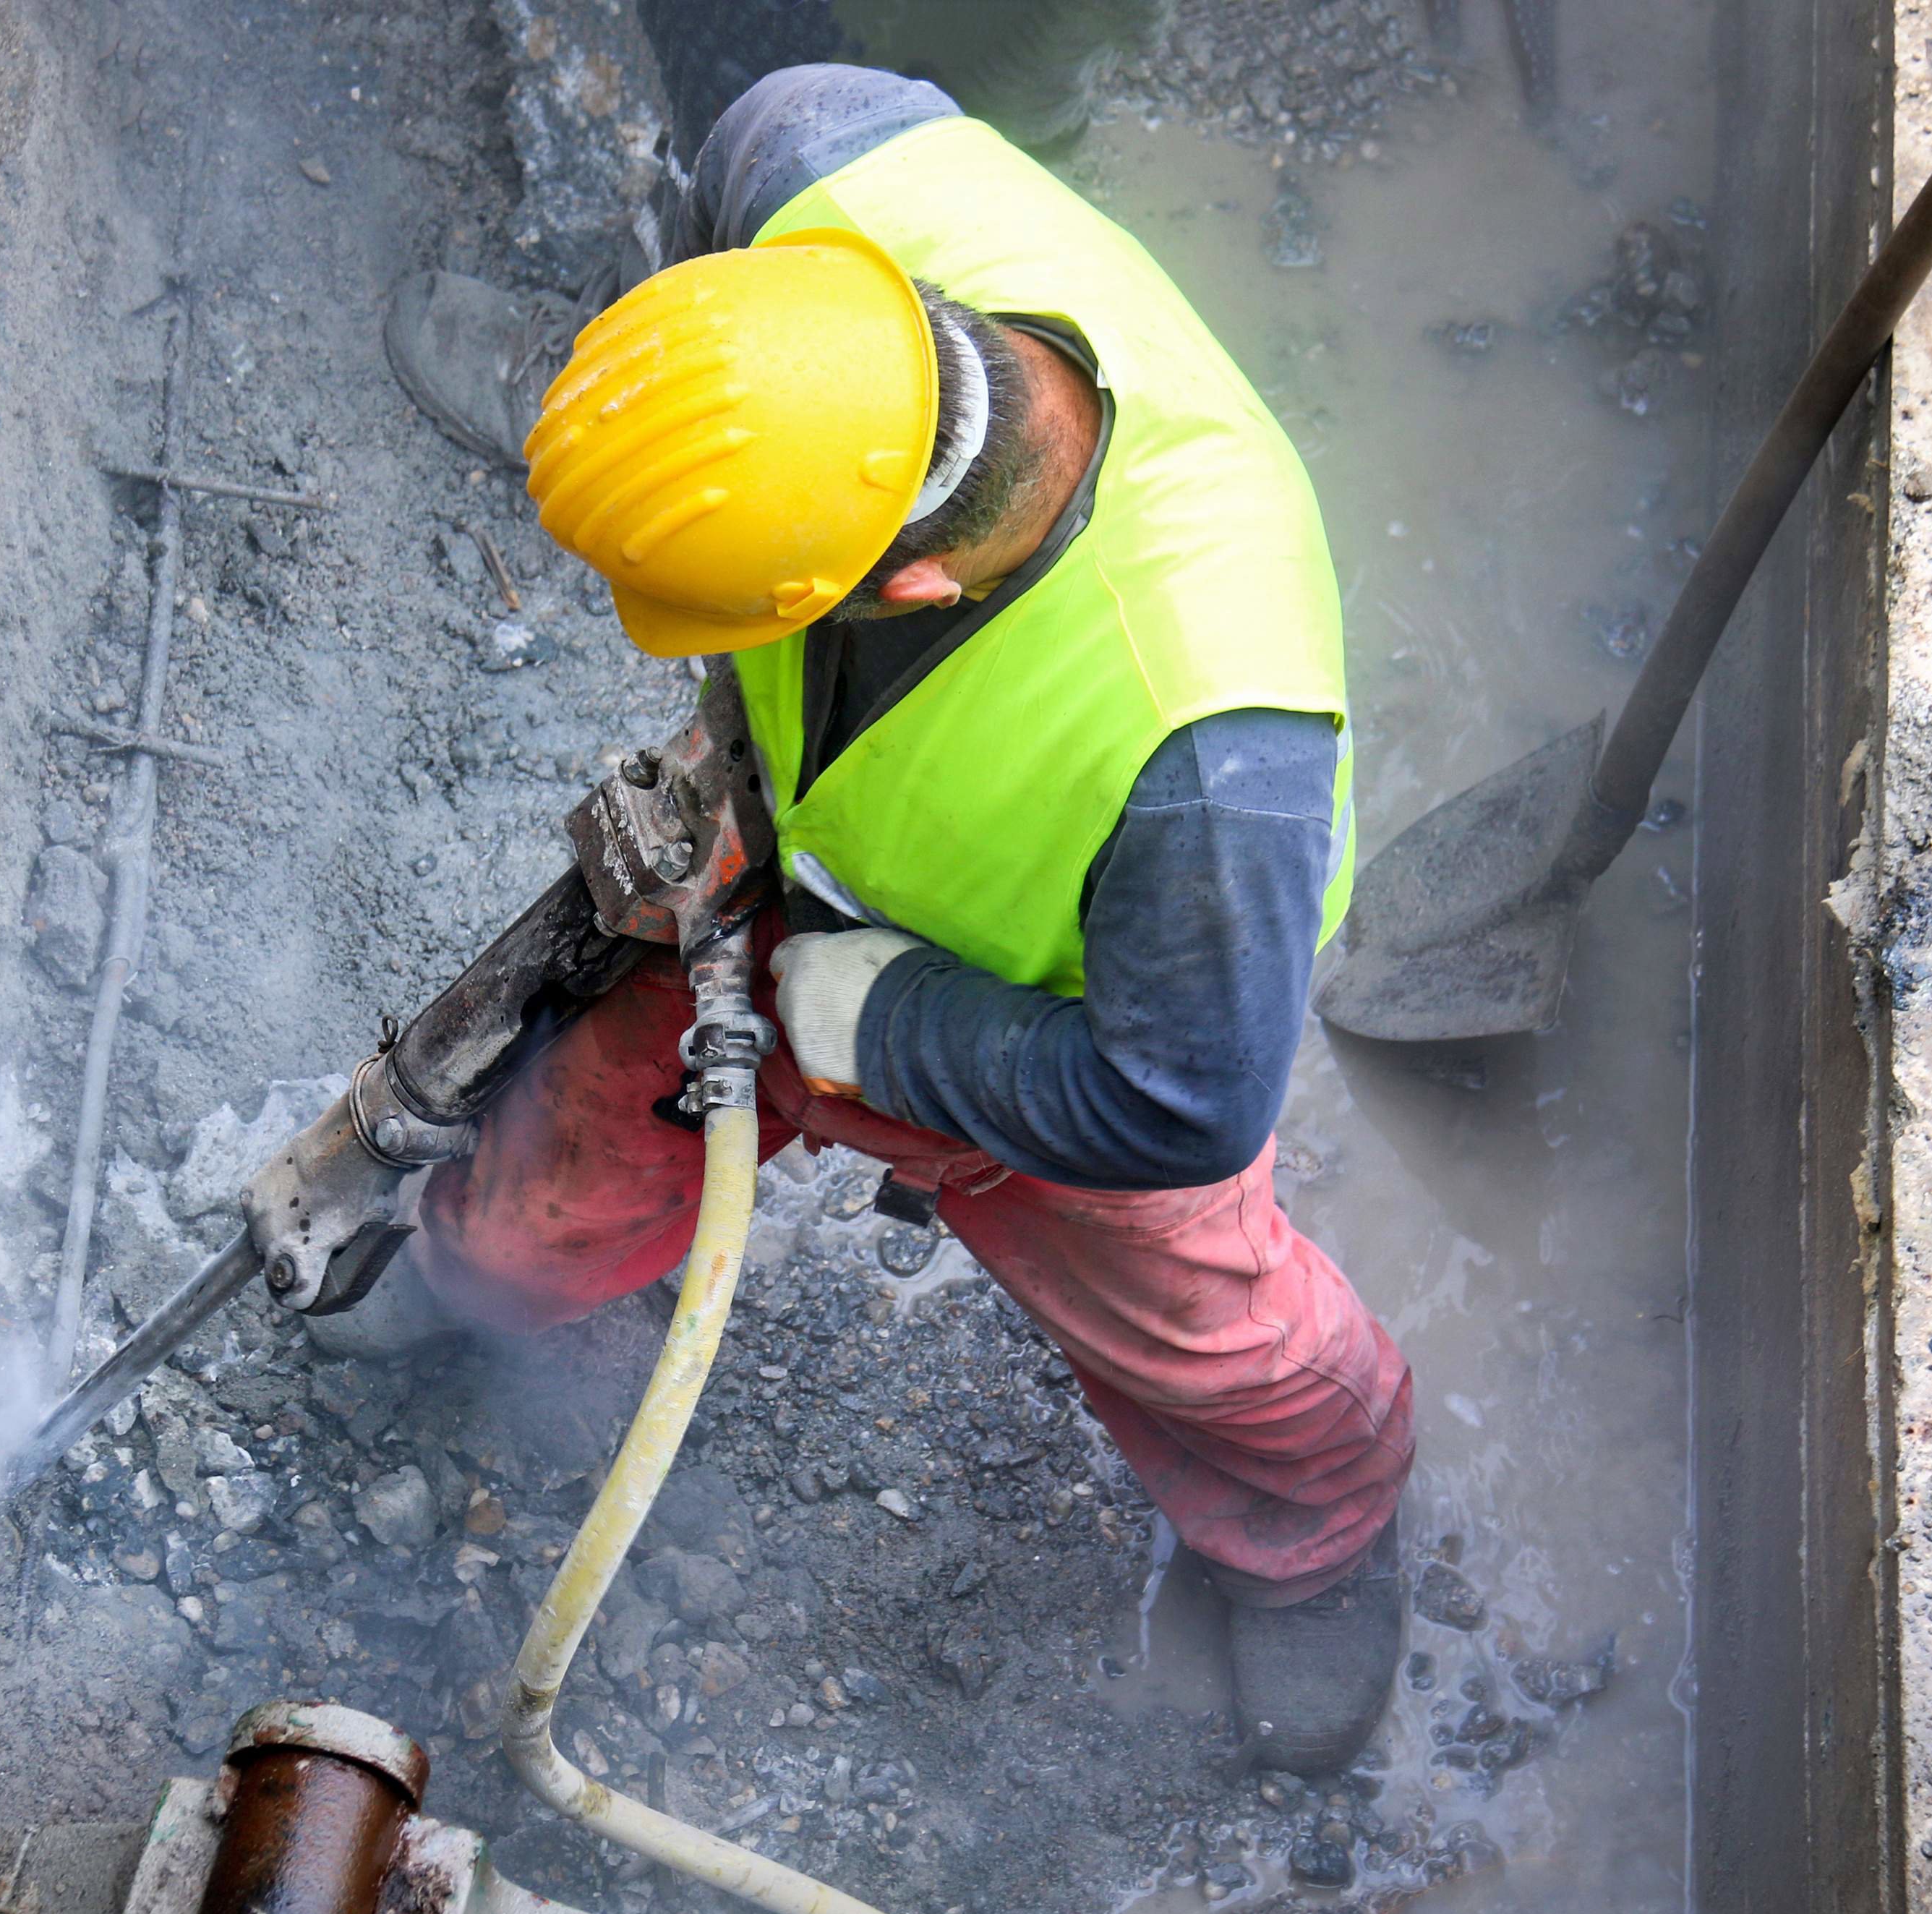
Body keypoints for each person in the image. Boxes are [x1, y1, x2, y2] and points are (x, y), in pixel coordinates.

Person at [372, 64, 1412, 1774]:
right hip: (797, 844)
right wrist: (662, 428)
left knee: (1201, 1319)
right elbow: (713, 283)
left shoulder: (1209, 766)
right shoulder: (815, 153)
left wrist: (875, 1024)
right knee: (582, 1129)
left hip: (1058, 1011)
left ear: (908, 582)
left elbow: (1182, 1100)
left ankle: (1311, 1532)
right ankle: (482, 1271)